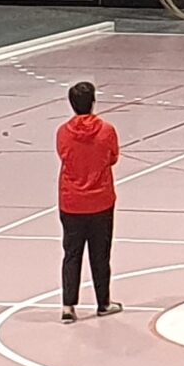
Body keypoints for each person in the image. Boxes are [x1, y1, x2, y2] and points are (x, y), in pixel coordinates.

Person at [57, 81, 123, 323]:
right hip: (100, 201)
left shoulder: (63, 132)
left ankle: (68, 306)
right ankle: (103, 302)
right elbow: (113, 157)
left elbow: (63, 155)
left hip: (71, 201)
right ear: (93, 102)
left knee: (71, 253)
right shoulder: (107, 130)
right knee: (100, 254)